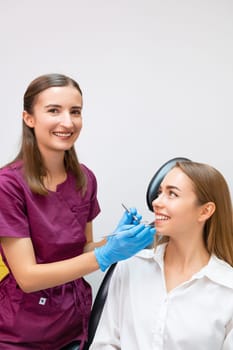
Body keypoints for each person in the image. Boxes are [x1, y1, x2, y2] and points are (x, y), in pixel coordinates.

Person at [0, 73, 155, 350]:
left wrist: (114, 240)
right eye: (53, 111)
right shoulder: (8, 186)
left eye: (75, 111)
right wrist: (105, 254)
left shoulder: (84, 179)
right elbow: (27, 277)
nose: (68, 122)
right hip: (21, 332)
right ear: (29, 118)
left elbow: (80, 251)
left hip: (74, 323)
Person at [90, 160, 233, 350]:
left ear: (205, 211)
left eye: (172, 194)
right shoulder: (130, 266)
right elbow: (104, 343)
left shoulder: (227, 290)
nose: (156, 203)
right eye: (159, 193)